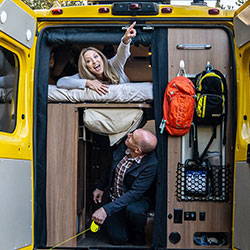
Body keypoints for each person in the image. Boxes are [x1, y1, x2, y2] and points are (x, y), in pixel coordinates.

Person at [91, 128, 158, 245]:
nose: (128, 135)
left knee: (134, 211)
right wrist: (100, 187)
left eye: (132, 137)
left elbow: (134, 194)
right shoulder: (124, 146)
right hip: (114, 199)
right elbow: (109, 167)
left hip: (135, 201)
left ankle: (138, 236)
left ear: (137, 150)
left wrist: (105, 210)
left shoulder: (151, 164)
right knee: (118, 239)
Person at [56, 22, 137, 95]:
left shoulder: (113, 65)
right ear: (86, 66)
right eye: (88, 61)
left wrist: (126, 40)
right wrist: (87, 83)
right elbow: (61, 82)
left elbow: (122, 54)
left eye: (95, 56)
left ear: (101, 57)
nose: (94, 61)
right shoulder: (84, 76)